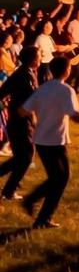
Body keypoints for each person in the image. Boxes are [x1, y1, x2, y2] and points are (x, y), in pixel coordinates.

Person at [20, 56, 79, 229]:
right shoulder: (66, 90)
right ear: (67, 70)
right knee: (61, 178)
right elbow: (74, 114)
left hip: (41, 139)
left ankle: (38, 211)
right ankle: (39, 213)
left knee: (58, 178)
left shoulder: (43, 88)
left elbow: (23, 111)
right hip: (54, 140)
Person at [0, 45, 40, 200]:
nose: (40, 57)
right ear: (32, 59)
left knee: (20, 157)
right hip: (20, 121)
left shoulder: (27, 72)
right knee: (26, 156)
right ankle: (9, 190)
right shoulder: (23, 75)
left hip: (24, 120)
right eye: (38, 55)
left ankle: (10, 189)